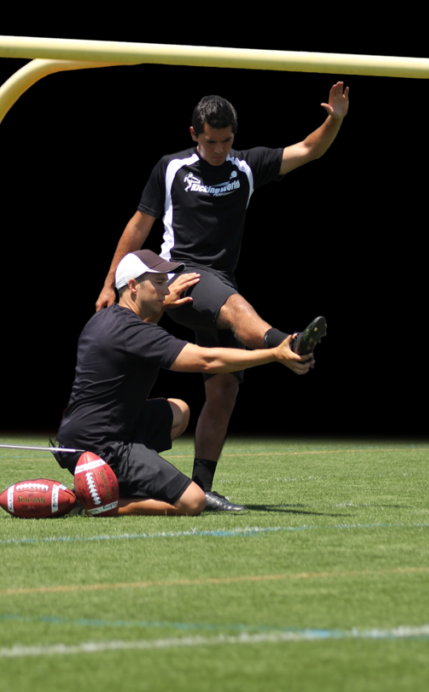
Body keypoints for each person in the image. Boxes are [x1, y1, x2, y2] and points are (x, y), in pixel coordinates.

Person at [94, 84, 350, 511]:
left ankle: (202, 486)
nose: (218, 149)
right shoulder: (171, 167)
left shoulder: (245, 166)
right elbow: (140, 225)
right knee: (233, 306)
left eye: (226, 140)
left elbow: (309, 149)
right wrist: (109, 283)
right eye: (210, 141)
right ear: (194, 134)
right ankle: (285, 343)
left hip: (220, 277)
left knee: (225, 389)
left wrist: (336, 118)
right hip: (180, 275)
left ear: (235, 135)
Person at [54, 249, 313, 515]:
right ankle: (93, 502)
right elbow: (206, 360)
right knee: (193, 501)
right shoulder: (133, 333)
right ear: (132, 286)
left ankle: (110, 482)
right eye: (158, 283)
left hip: (77, 437)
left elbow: (140, 334)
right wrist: (274, 354)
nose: (166, 288)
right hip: (103, 448)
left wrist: (161, 303)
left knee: (179, 411)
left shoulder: (104, 320)